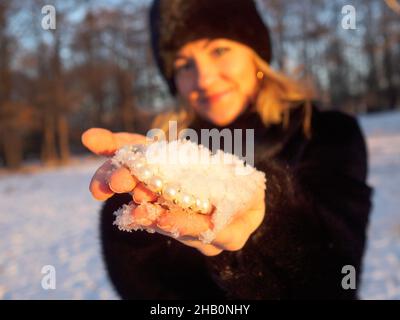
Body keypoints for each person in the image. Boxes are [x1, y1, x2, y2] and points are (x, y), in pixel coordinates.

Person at [81, 0, 372, 299]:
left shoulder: (327, 134)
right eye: (184, 65)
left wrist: (266, 221)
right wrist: (134, 206)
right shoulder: (167, 156)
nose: (204, 79)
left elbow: (336, 278)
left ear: (254, 53)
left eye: (219, 50)